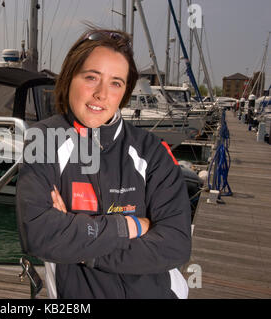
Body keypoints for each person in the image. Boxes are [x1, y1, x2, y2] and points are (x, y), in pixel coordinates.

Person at [16, 27, 192, 299]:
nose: (101, 93)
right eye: (91, 77)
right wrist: (131, 227)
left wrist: (81, 246)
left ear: (125, 91)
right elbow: (38, 233)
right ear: (69, 78)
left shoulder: (152, 151)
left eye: (115, 83)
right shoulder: (44, 141)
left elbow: (175, 245)